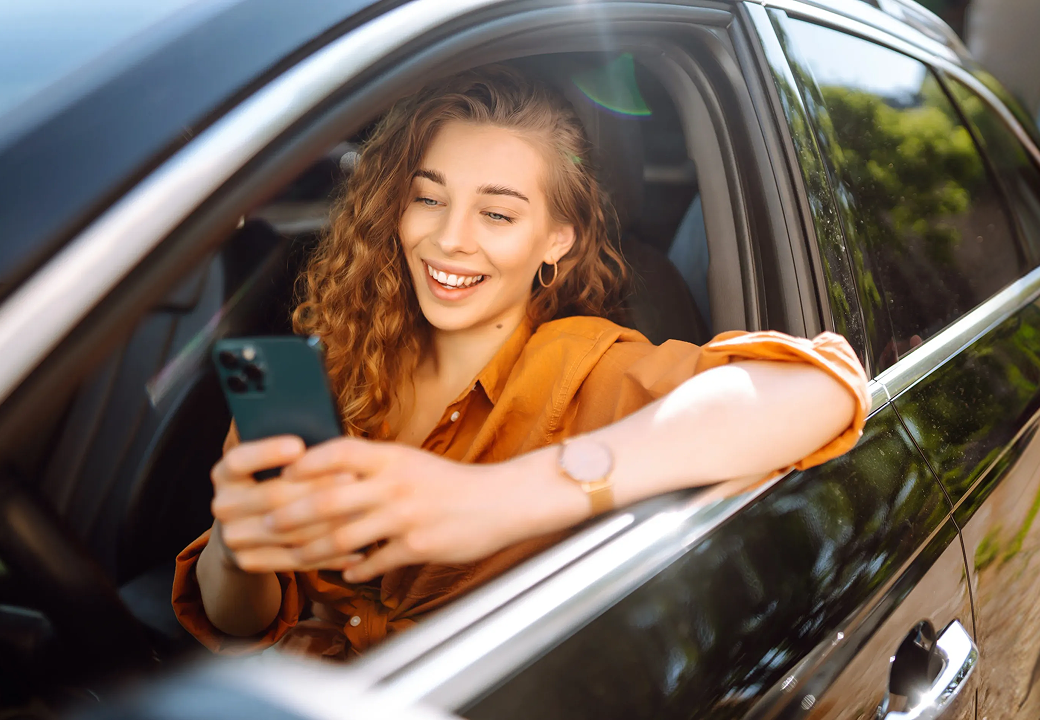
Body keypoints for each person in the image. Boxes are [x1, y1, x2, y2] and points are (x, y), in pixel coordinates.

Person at [172, 65, 869, 660]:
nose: (450, 240)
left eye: (497, 215)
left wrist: (497, 499)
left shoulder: (586, 372)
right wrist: (237, 551)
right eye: (428, 198)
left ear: (557, 240)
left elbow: (823, 390)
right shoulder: (326, 368)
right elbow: (241, 623)